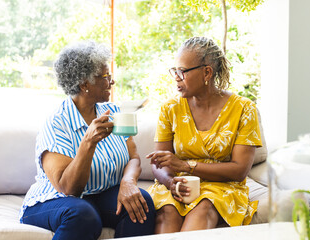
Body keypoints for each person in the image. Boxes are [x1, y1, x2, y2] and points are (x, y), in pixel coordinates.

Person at [19, 40, 155, 239]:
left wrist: (128, 182)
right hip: (54, 200)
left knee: (141, 203)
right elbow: (68, 188)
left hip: (98, 195)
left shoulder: (114, 112)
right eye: (106, 77)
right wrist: (88, 143)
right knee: (82, 214)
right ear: (85, 84)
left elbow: (133, 157)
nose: (112, 82)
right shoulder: (57, 123)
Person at [146, 36, 262, 233]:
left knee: (204, 208)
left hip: (221, 187)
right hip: (179, 185)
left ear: (207, 72)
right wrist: (170, 182)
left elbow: (240, 170)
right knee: (167, 212)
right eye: (174, 71)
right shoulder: (170, 108)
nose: (176, 77)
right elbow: (159, 162)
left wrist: (185, 166)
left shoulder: (244, 109)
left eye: (182, 71)